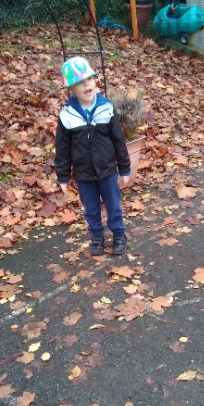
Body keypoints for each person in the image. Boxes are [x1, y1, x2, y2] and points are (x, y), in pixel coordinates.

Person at [55, 56, 130, 256]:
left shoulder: (106, 108)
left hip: (107, 171)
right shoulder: (67, 115)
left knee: (113, 205)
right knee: (91, 209)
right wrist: (63, 175)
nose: (87, 84)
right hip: (84, 174)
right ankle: (97, 236)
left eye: (89, 79)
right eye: (80, 82)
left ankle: (119, 234)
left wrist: (124, 168)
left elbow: (118, 140)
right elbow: (62, 148)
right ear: (71, 89)